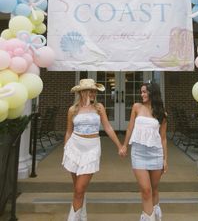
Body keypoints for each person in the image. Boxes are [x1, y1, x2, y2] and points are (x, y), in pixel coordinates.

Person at [62, 78, 123, 221]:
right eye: (91, 90)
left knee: (79, 189)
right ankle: (82, 217)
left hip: (92, 149)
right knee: (78, 189)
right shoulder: (73, 110)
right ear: (82, 92)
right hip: (74, 148)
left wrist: (119, 145)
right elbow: (68, 132)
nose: (94, 93)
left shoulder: (99, 108)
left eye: (95, 91)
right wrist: (66, 149)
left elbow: (107, 127)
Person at [120, 80, 168, 221]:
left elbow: (163, 138)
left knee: (154, 189)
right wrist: (124, 145)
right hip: (138, 153)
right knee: (146, 190)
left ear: (152, 93)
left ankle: (156, 213)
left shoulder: (162, 114)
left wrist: (165, 159)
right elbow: (130, 128)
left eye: (144, 92)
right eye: (141, 92)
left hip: (156, 153)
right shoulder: (137, 107)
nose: (142, 94)